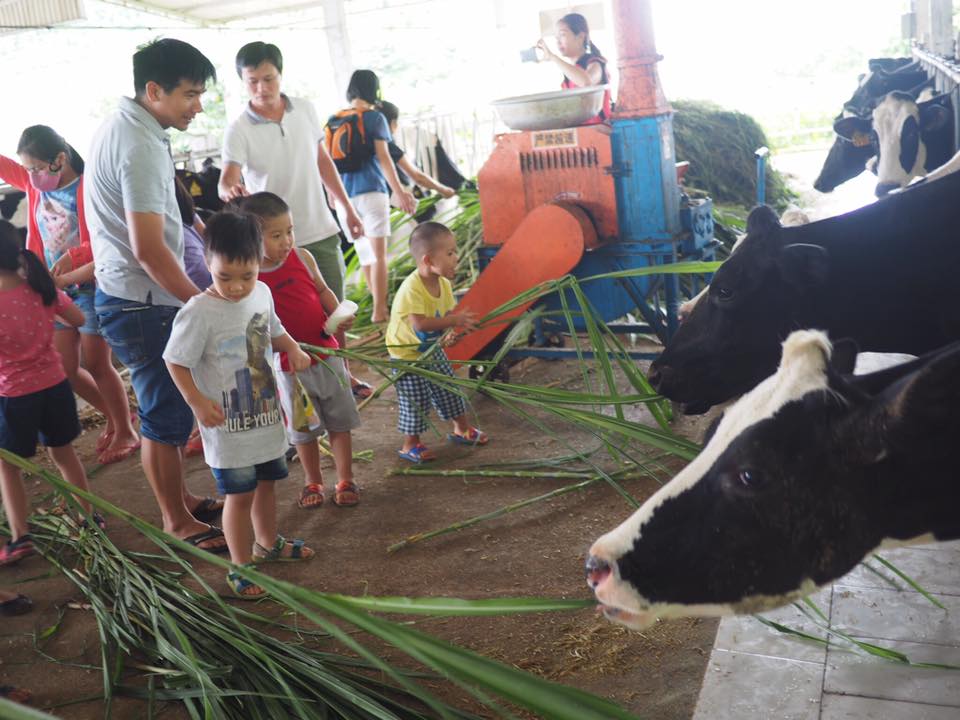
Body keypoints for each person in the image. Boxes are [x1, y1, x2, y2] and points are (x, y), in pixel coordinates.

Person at [85, 38, 226, 552]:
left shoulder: (131, 127)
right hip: (143, 302)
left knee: (164, 410)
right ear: (154, 90)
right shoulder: (139, 143)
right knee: (165, 416)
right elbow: (149, 249)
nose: (197, 106)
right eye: (189, 94)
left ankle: (183, 501)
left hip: (131, 296)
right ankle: (176, 521)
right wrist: (201, 302)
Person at [164, 211, 315, 598]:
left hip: (265, 421)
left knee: (267, 485)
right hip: (228, 431)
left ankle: (268, 542)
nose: (236, 287)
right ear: (209, 263)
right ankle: (241, 565)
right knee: (239, 495)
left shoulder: (261, 294)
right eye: (224, 277)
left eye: (246, 276)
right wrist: (196, 401)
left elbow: (275, 330)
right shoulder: (198, 311)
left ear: (259, 260)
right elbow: (175, 360)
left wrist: (294, 348)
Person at [218, 41, 373, 400]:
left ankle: (342, 374)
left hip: (319, 226)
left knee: (333, 308)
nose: (262, 88)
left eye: (268, 78)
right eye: (252, 81)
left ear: (280, 75)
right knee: (279, 316)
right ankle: (291, 387)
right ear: (243, 81)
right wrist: (228, 189)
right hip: (270, 242)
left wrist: (346, 208)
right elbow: (228, 176)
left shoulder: (304, 109)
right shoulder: (238, 129)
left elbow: (323, 162)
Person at [0, 126, 139, 465]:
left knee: (96, 361)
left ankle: (125, 429)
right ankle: (114, 416)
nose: (30, 176)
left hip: (90, 286)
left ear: (59, 160)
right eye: (27, 169)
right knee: (66, 366)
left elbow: (107, 240)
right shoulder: (35, 187)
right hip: (51, 289)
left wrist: (75, 260)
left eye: (35, 168)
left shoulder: (91, 188)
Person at [240, 192, 362, 509]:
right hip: (288, 366)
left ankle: (345, 477)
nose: (287, 241)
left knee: (340, 420)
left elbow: (322, 291)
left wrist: (340, 316)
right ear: (252, 236)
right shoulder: (250, 278)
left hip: (326, 352)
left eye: (290, 231)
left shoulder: (303, 258)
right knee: (304, 429)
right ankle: (313, 481)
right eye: (276, 235)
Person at [0, 220, 103, 569]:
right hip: (55, 386)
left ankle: (20, 536)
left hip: (14, 395)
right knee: (64, 455)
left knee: (8, 467)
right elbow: (75, 318)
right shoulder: (41, 288)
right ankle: (88, 518)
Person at [386, 221, 488, 463]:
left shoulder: (443, 283)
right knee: (416, 398)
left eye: (455, 251)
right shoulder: (412, 288)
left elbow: (443, 316)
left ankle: (461, 428)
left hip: (432, 349)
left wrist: (451, 333)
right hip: (408, 355)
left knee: (449, 387)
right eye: (450, 253)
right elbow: (420, 324)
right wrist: (456, 319)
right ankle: (410, 444)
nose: (456, 257)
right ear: (429, 260)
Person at [333, 71, 417, 325]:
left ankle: (375, 306)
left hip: (345, 200)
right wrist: (399, 192)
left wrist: (332, 196)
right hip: (372, 193)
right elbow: (384, 158)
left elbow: (327, 164)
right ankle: (380, 310)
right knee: (379, 255)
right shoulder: (375, 118)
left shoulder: (334, 120)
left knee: (365, 256)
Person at [536, 12, 612, 125]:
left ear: (581, 36)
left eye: (562, 35)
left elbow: (586, 82)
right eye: (556, 37)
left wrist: (552, 57)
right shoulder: (569, 73)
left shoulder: (595, 63)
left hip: (601, 133)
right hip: (581, 134)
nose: (558, 41)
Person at [378, 101, 457, 201]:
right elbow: (417, 176)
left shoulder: (363, 140)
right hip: (385, 201)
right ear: (393, 123)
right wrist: (444, 190)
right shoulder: (387, 146)